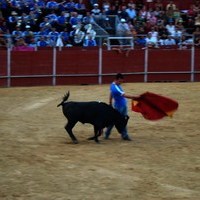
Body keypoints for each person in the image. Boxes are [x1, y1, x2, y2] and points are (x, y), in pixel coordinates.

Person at [104, 73, 137, 141]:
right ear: (116, 79)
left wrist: (110, 102)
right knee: (122, 121)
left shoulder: (112, 85)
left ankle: (107, 133)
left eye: (122, 81)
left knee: (114, 120)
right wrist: (135, 97)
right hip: (120, 106)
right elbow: (125, 95)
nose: (121, 83)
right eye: (120, 81)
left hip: (120, 105)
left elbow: (111, 93)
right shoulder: (116, 88)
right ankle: (124, 135)